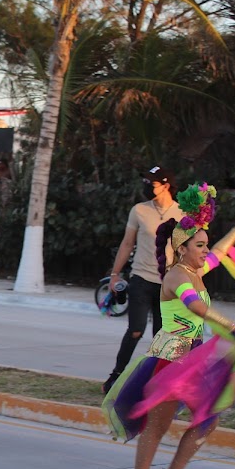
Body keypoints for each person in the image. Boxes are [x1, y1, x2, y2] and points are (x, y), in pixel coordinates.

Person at [102, 182, 235, 469]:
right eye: (199, 245)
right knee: (158, 426)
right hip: (169, 358)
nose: (205, 250)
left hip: (194, 357)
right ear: (183, 248)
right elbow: (196, 307)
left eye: (205, 245)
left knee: (208, 418)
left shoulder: (196, 269)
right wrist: (232, 327)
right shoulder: (176, 276)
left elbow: (221, 253)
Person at [101, 166, 184, 393]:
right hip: (141, 279)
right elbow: (127, 244)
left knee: (161, 337)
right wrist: (115, 274)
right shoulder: (139, 210)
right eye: (146, 182)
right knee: (136, 330)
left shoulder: (182, 214)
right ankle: (116, 375)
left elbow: (187, 252)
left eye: (152, 183)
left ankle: (155, 383)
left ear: (166, 186)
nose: (147, 187)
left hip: (168, 286)